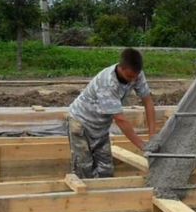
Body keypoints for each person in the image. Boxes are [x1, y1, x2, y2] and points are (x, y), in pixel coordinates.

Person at [67, 48, 156, 178]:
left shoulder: (136, 75)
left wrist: (153, 136)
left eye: (135, 77)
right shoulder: (108, 83)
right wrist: (142, 146)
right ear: (121, 68)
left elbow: (148, 102)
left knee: (105, 172)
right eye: (129, 77)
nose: (132, 81)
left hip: (101, 127)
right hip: (81, 123)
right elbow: (120, 119)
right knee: (84, 171)